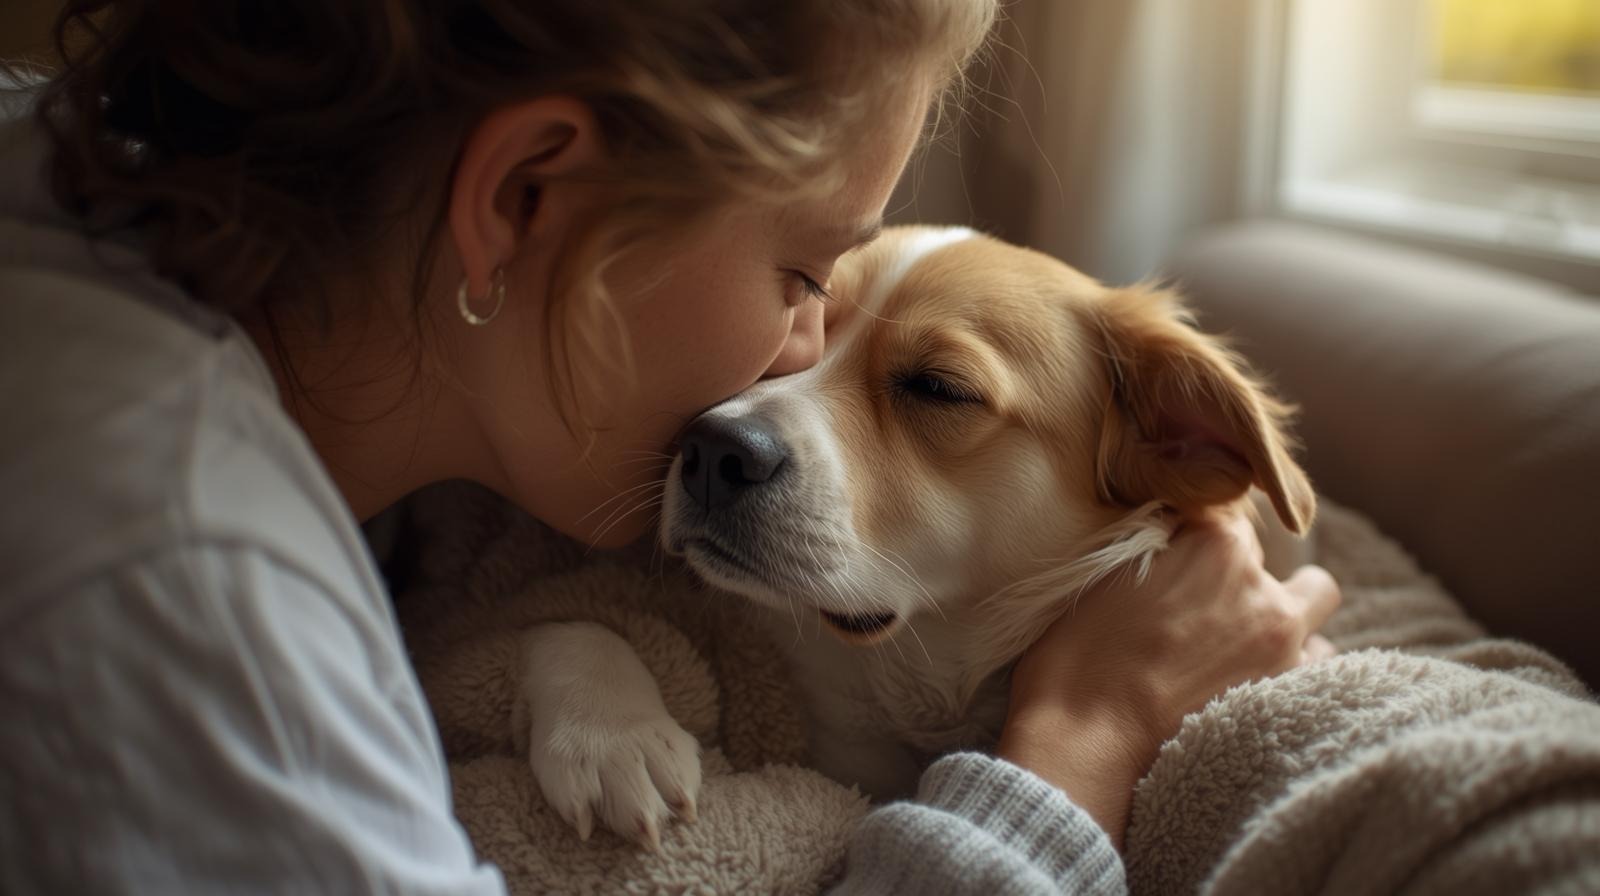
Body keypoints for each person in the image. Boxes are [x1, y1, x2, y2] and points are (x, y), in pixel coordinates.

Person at [0, 1, 1340, 892]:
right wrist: (1079, 745)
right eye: (802, 269)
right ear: (524, 197)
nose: (784, 369)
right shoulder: (174, 573)